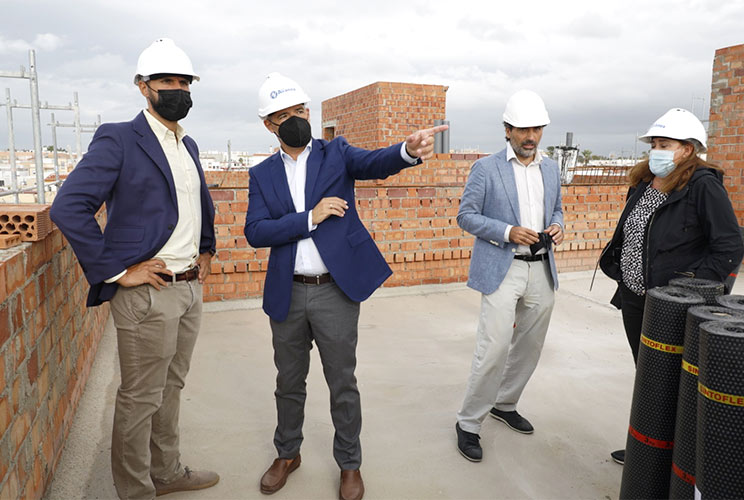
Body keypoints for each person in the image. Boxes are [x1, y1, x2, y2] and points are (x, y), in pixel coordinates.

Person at [244, 72, 447, 500]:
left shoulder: (335, 153)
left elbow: (374, 163)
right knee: (288, 381)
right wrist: (310, 217)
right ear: (268, 124)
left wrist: (407, 151)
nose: (296, 119)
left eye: (301, 110)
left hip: (333, 291)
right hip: (287, 292)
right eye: (284, 115)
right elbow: (256, 231)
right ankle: (287, 454)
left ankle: (349, 463)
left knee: (342, 382)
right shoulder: (261, 174)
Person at [50, 38, 219, 499]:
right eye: (166, 81)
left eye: (184, 82)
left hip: (189, 288)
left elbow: (195, 204)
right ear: (143, 87)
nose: (177, 89)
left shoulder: (188, 144)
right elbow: (68, 207)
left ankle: (166, 473)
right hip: (148, 294)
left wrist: (206, 249)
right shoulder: (120, 138)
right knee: (141, 395)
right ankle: (135, 490)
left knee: (171, 386)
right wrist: (118, 272)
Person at [598, 108, 744, 465]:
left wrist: (689, 289)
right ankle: (648, 448)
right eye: (654, 144)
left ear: (688, 149)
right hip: (636, 298)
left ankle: (676, 462)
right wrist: (618, 266)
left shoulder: (703, 186)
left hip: (673, 306)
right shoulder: (644, 182)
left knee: (674, 384)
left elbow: (728, 247)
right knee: (648, 377)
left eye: (665, 145)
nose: (656, 151)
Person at [455, 90, 564, 462]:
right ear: (507, 130)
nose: (530, 136)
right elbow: (466, 216)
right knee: (494, 348)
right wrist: (507, 231)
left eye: (536, 129)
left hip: (542, 268)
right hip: (503, 268)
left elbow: (557, 209)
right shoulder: (486, 169)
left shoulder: (551, 168)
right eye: (522, 129)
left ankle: (505, 403)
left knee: (530, 347)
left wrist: (557, 225)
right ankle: (469, 423)